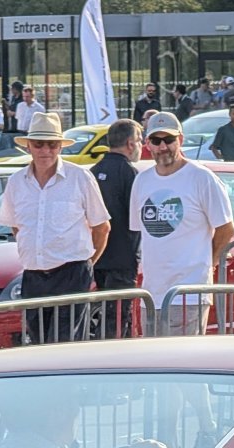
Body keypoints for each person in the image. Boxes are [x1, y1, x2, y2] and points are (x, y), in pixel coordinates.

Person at [130, 111, 234, 448]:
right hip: (153, 292)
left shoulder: (201, 178)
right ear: (147, 144)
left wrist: (206, 267)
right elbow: (141, 233)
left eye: (168, 140)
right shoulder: (142, 181)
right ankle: (168, 440)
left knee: (182, 368)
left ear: (180, 140)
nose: (163, 147)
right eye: (156, 140)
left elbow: (226, 229)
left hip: (188, 291)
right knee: (163, 372)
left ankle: (206, 428)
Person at [0, 112, 110, 345]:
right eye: (39, 144)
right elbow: (17, 227)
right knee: (38, 344)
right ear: (28, 146)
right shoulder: (16, 182)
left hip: (72, 274)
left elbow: (102, 227)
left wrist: (86, 264)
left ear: (60, 147)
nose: (45, 150)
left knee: (64, 346)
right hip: (33, 276)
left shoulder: (80, 177)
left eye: (52, 144)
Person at [91, 119, 142, 338]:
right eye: (139, 140)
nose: (141, 146)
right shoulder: (130, 173)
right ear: (130, 143)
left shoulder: (92, 172)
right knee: (119, 319)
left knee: (106, 316)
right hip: (122, 260)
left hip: (97, 258)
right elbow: (139, 217)